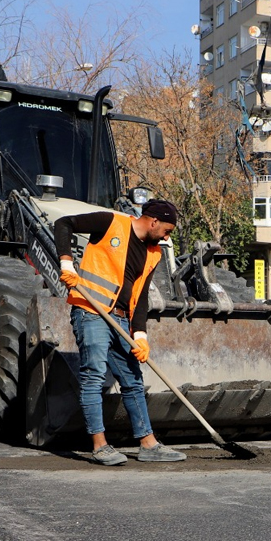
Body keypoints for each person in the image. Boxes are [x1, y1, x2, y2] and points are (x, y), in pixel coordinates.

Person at [54, 200, 188, 466]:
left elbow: (141, 299)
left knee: (132, 379)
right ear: (153, 222)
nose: (167, 237)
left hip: (119, 318)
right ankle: (100, 445)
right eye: (167, 230)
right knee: (93, 375)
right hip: (91, 311)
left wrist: (140, 335)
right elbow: (63, 224)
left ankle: (148, 444)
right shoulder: (109, 223)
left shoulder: (154, 254)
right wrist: (67, 263)